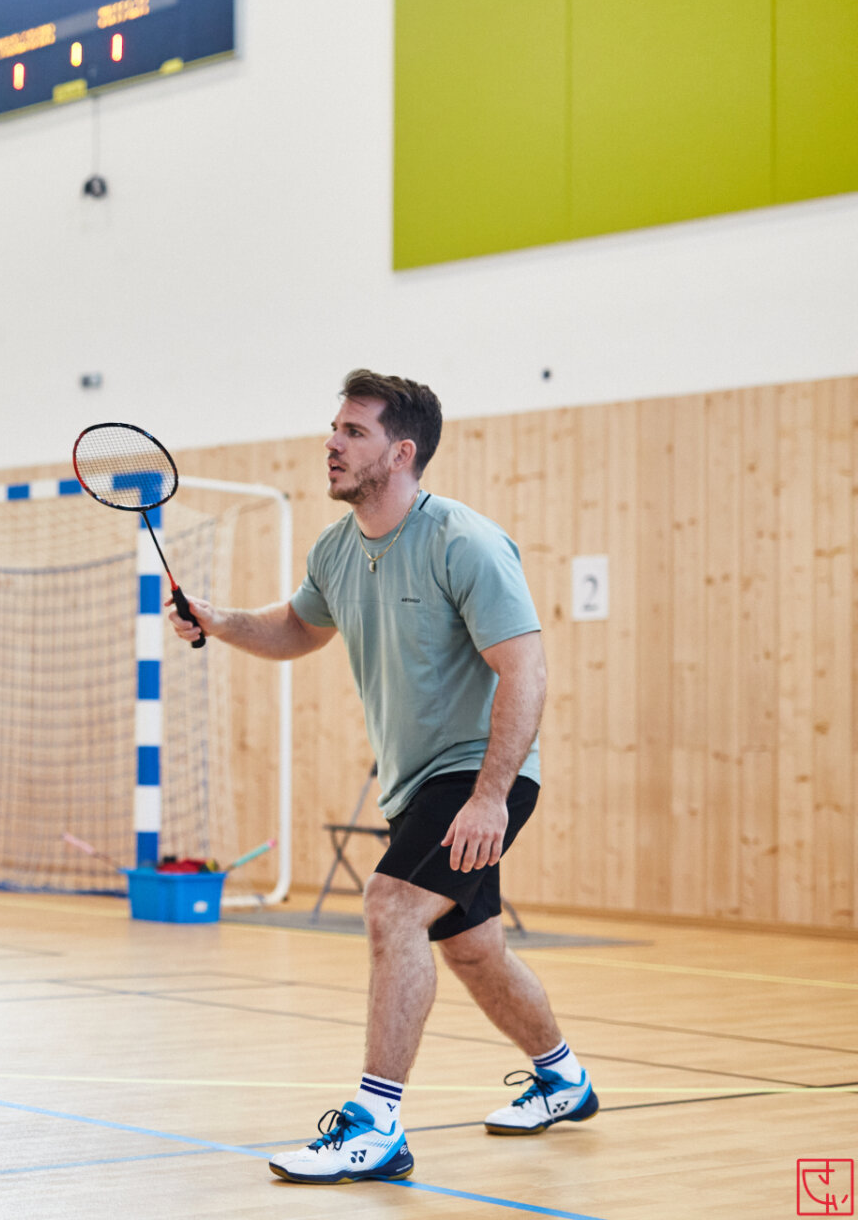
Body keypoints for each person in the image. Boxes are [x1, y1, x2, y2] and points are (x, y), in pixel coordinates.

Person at [169, 371, 595, 1185]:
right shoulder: (335, 550)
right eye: (334, 427)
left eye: (353, 432)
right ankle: (563, 1079)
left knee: (391, 905)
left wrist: (490, 798)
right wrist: (219, 622)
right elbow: (297, 629)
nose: (331, 443)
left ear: (400, 453)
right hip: (415, 784)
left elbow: (526, 670)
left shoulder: (463, 542)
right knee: (473, 949)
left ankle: (375, 1126)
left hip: (479, 773)